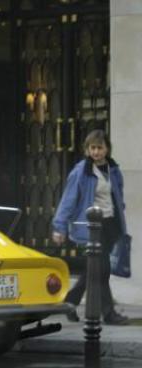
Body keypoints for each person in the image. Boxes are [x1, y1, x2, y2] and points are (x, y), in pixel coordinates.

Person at [52, 129, 129, 325]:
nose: (96, 152)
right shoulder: (81, 171)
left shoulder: (114, 169)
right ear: (87, 149)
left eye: (100, 147)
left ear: (107, 149)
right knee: (101, 269)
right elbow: (68, 200)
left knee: (93, 269)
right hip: (93, 226)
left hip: (111, 224)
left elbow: (118, 195)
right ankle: (109, 313)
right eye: (92, 148)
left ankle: (70, 301)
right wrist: (59, 227)